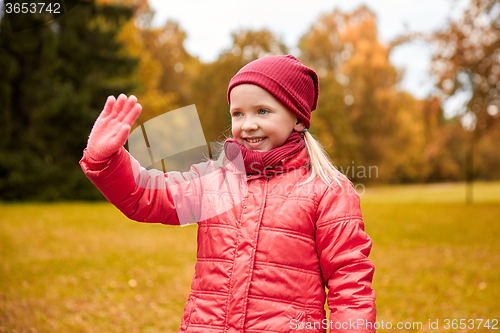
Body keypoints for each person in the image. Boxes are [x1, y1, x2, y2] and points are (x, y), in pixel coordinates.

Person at [80, 55, 376, 332]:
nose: (248, 124)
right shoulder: (213, 181)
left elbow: (349, 281)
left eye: (263, 111)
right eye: (238, 113)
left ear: (298, 118)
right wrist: (106, 159)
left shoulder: (327, 189)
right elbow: (147, 197)